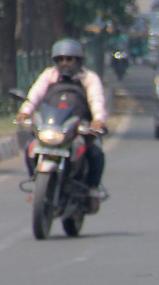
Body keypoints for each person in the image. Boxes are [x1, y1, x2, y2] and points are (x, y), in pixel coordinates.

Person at [17, 39, 108, 201]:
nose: (65, 63)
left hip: (79, 127)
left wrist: (98, 120)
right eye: (60, 59)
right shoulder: (48, 75)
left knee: (95, 154)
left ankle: (92, 188)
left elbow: (96, 99)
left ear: (79, 61)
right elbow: (35, 95)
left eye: (69, 59)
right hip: (52, 125)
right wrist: (25, 112)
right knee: (29, 148)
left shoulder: (89, 78)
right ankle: (36, 183)